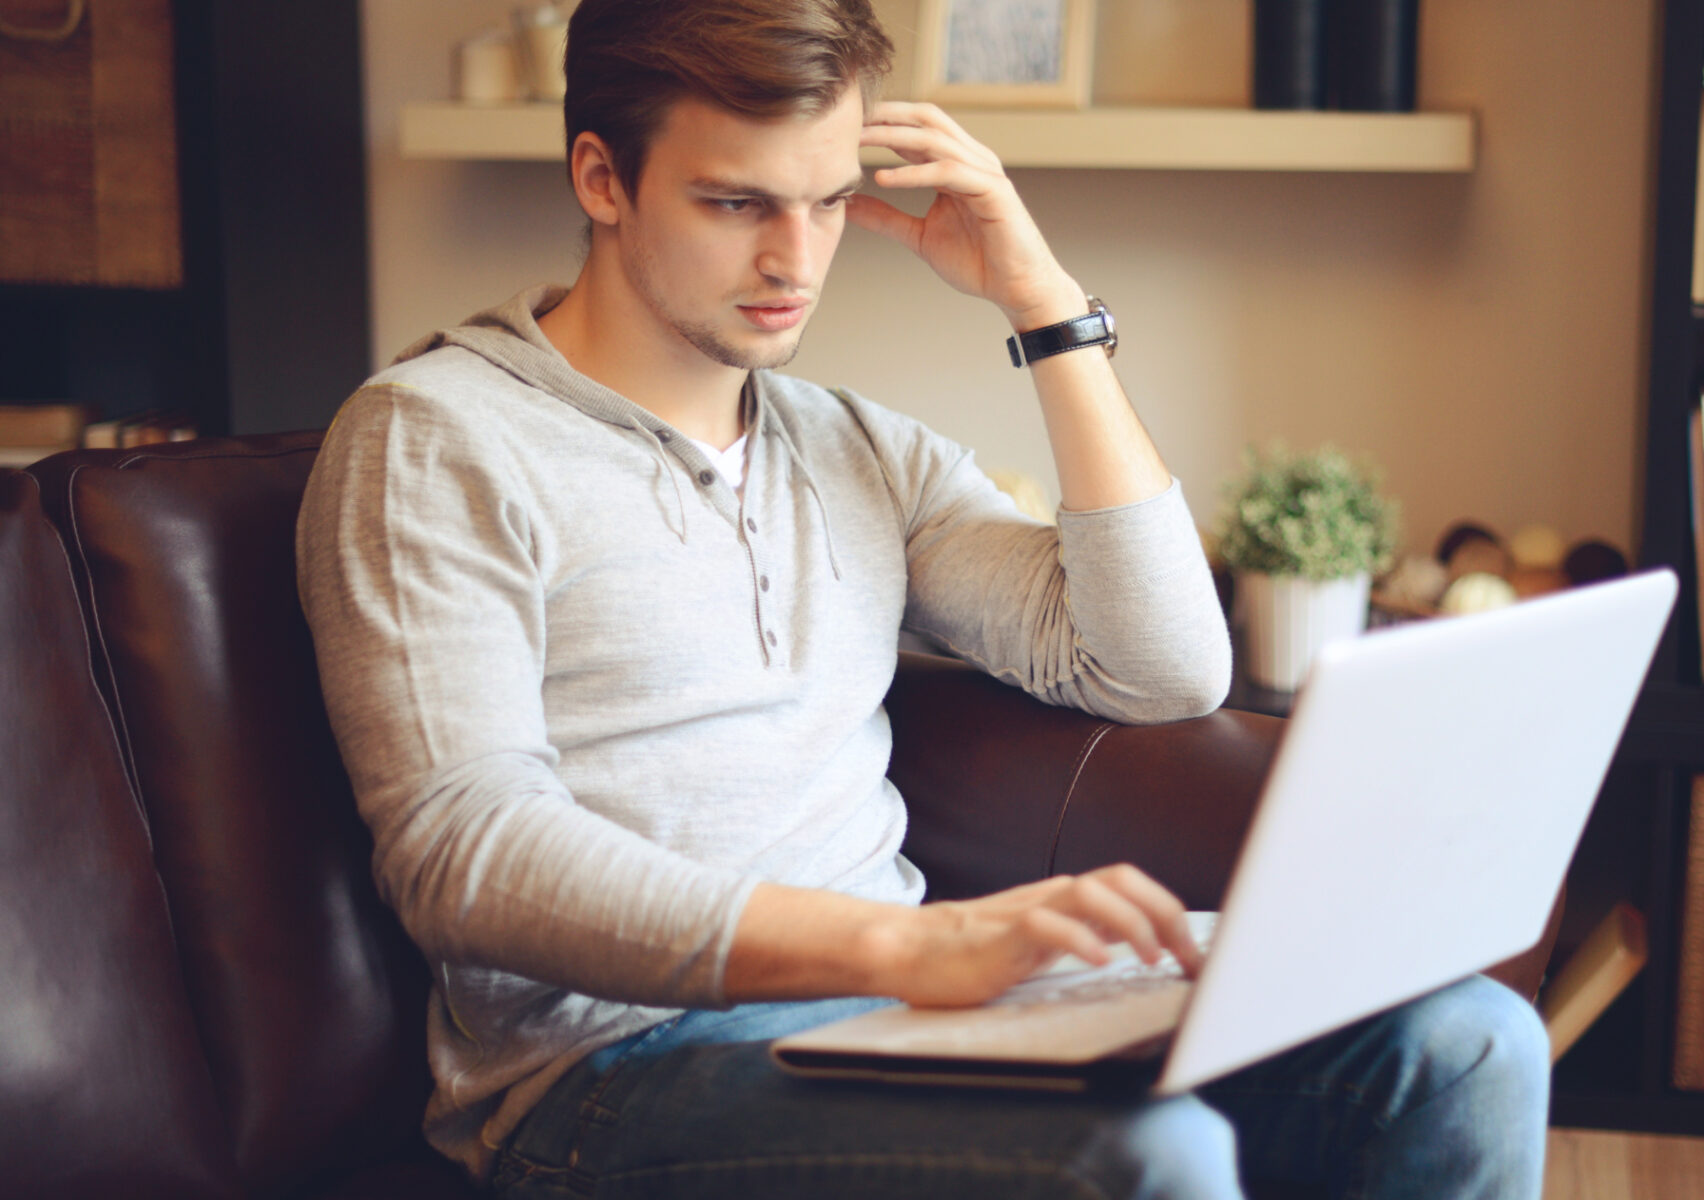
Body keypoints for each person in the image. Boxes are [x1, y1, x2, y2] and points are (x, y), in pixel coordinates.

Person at [294, 1, 1550, 1195]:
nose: (795, 260)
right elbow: (466, 856)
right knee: (1135, 1156)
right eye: (736, 203)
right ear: (599, 179)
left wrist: (1045, 307)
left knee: (1469, 1040)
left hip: (899, 1022)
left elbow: (1159, 668)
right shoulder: (434, 438)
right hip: (616, 1075)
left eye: (829, 201)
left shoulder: (853, 448)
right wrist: (906, 947)